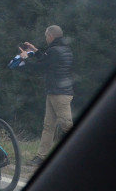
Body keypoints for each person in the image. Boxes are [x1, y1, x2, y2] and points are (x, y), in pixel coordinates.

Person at [16, 25, 74, 166]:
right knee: (48, 126)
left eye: (46, 36)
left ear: (51, 36)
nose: (46, 39)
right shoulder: (65, 49)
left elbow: (40, 67)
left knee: (66, 125)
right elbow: (47, 61)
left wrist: (25, 58)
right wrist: (35, 51)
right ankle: (41, 157)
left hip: (58, 94)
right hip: (58, 93)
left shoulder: (54, 50)